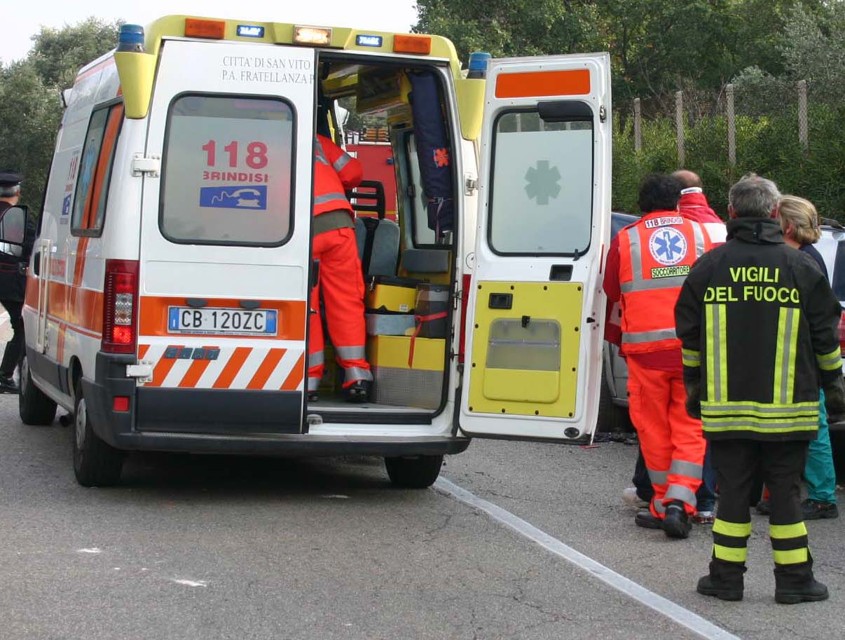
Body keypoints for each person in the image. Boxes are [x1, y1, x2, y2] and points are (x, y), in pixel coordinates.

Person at [676, 174, 845, 604]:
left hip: (727, 411)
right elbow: (827, 340)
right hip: (790, 412)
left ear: (731, 212)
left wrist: (694, 389)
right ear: (775, 214)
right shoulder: (801, 267)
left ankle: (725, 579)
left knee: (732, 494)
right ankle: (795, 582)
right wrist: (835, 389)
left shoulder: (709, 267)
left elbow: (690, 339)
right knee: (786, 497)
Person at [604, 173, 716, 539]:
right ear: (678, 201)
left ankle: (662, 501)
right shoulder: (701, 235)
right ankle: (680, 505)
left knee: (652, 427)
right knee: (689, 426)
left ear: (641, 203)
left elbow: (611, 289)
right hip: (691, 349)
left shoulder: (627, 238)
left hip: (645, 352)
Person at [756, 195, 837, 520]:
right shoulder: (803, 257)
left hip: (800, 360)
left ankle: (822, 497)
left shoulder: (804, 261)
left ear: (787, 225)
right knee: (784, 428)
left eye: (775, 219)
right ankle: (779, 490)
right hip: (788, 357)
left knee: (813, 429)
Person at [307, 134, 372, 402]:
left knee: (306, 306)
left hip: (300, 232)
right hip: (338, 226)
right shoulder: (318, 141)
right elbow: (353, 172)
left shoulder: (260, 140)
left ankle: (308, 379)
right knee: (346, 301)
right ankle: (357, 375)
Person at [0, 170, 33, 394]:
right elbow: (31, 246)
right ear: (17, 192)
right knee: (22, 328)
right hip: (11, 281)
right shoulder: (17, 217)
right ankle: (5, 375)